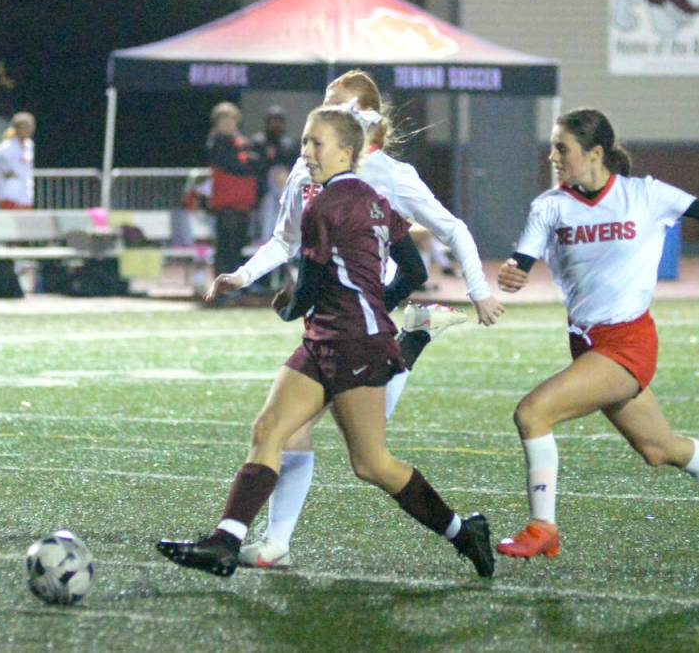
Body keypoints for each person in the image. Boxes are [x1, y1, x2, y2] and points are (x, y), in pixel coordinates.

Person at [156, 106, 495, 579]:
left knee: (373, 464)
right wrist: (368, 304)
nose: (307, 153)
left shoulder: (324, 205)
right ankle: (224, 541)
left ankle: (463, 531)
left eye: (317, 143)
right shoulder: (377, 200)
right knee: (269, 430)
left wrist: (287, 308)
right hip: (331, 337)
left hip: (351, 344)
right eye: (304, 143)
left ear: (347, 151)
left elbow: (309, 288)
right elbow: (413, 270)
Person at [495, 107, 699, 559]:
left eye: (563, 148)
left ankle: (543, 528)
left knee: (532, 414)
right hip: (587, 344)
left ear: (595, 152)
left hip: (629, 341)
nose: (554, 156)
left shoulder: (645, 195)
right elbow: (522, 260)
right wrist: (513, 275)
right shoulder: (550, 206)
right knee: (658, 449)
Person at [206, 102, 260, 280]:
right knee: (224, 247)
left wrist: (247, 161)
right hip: (225, 203)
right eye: (223, 120)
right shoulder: (216, 142)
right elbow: (234, 165)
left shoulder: (242, 141)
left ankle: (236, 284)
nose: (228, 124)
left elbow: (257, 163)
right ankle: (221, 286)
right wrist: (246, 161)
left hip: (243, 204)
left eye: (231, 120)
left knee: (239, 245)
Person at [250, 105, 299, 246]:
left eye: (279, 121)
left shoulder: (288, 144)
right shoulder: (258, 142)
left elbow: (293, 166)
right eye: (273, 121)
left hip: (284, 193)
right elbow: (256, 166)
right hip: (263, 193)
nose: (276, 124)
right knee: (264, 228)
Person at [0, 111, 35, 209]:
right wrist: (5, 170)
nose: (29, 130)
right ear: (17, 129)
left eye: (30, 127)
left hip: (26, 192)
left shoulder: (29, 145)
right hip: (10, 192)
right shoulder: (9, 145)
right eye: (25, 127)